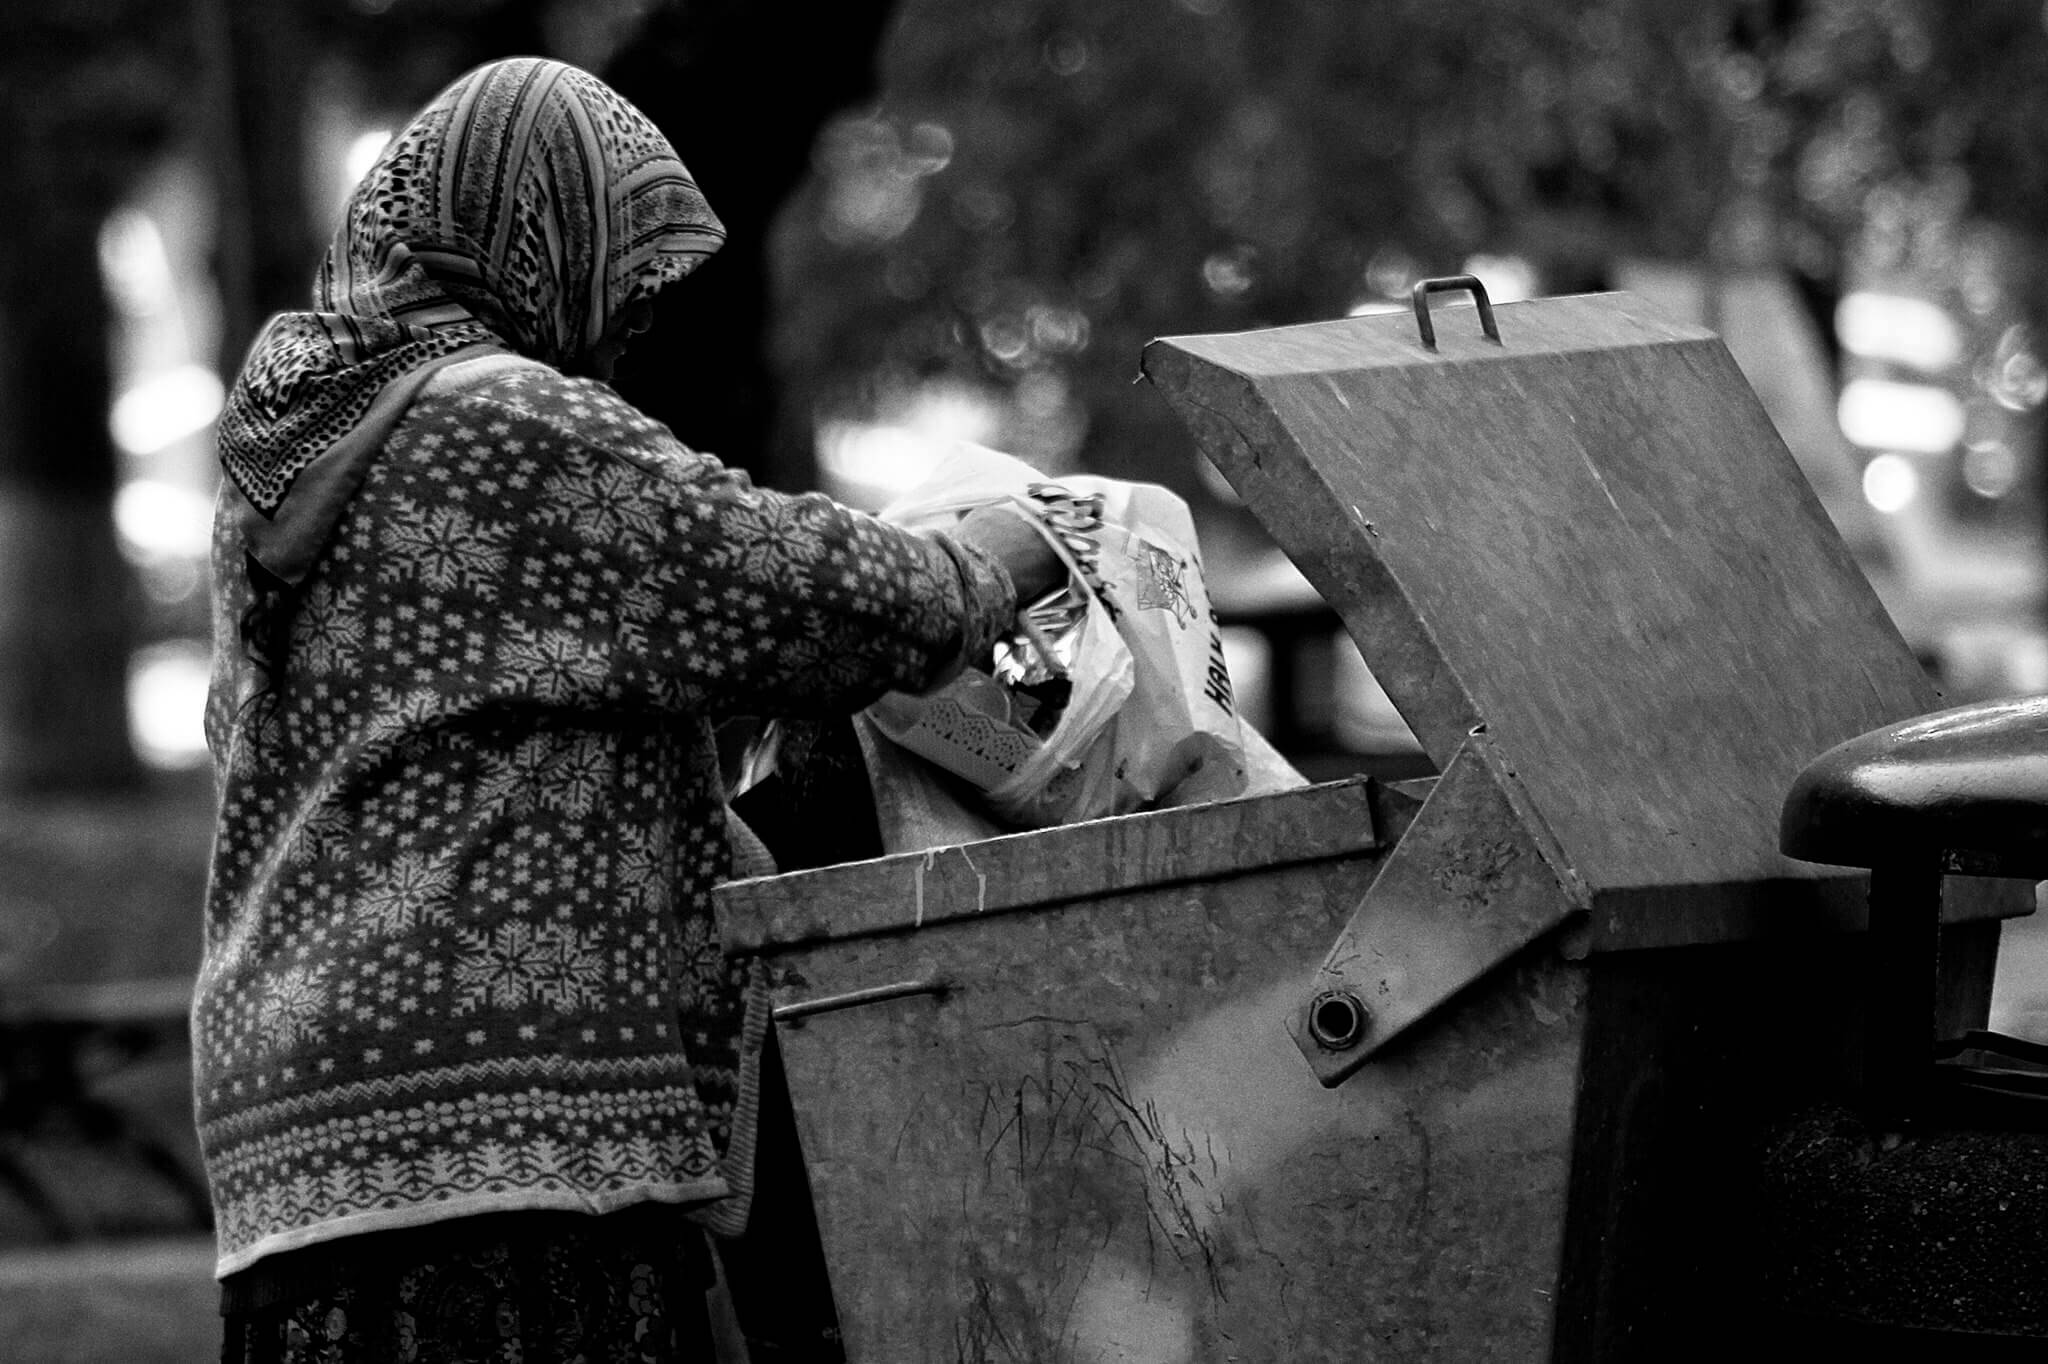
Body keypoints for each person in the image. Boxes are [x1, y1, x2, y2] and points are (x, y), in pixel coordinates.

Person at [198, 56, 1060, 1360]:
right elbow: (797, 589)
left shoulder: (307, 442)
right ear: (540, 242)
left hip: (302, 1146)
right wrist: (998, 559)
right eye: (623, 282)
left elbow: (507, 696)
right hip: (502, 1136)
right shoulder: (506, 423)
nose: (626, 330)